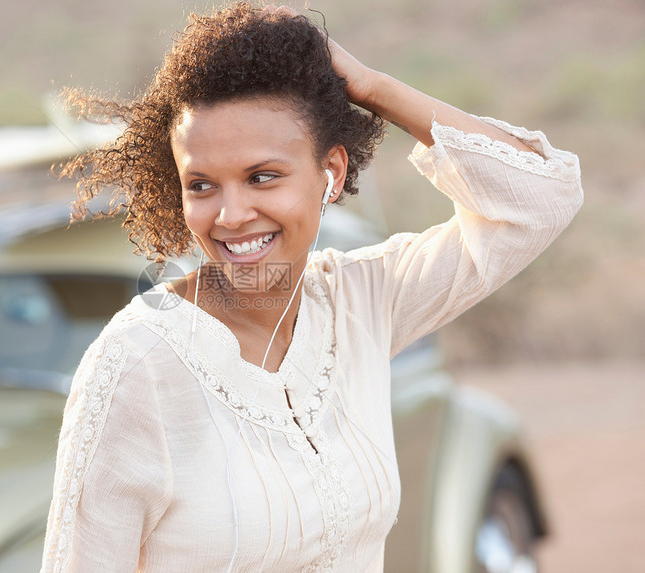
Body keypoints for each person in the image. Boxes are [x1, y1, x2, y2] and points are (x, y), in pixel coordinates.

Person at [40, 3, 583, 572]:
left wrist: (371, 87)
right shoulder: (135, 367)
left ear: (333, 172)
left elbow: (541, 197)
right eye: (201, 185)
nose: (230, 214)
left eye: (262, 176)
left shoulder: (364, 302)